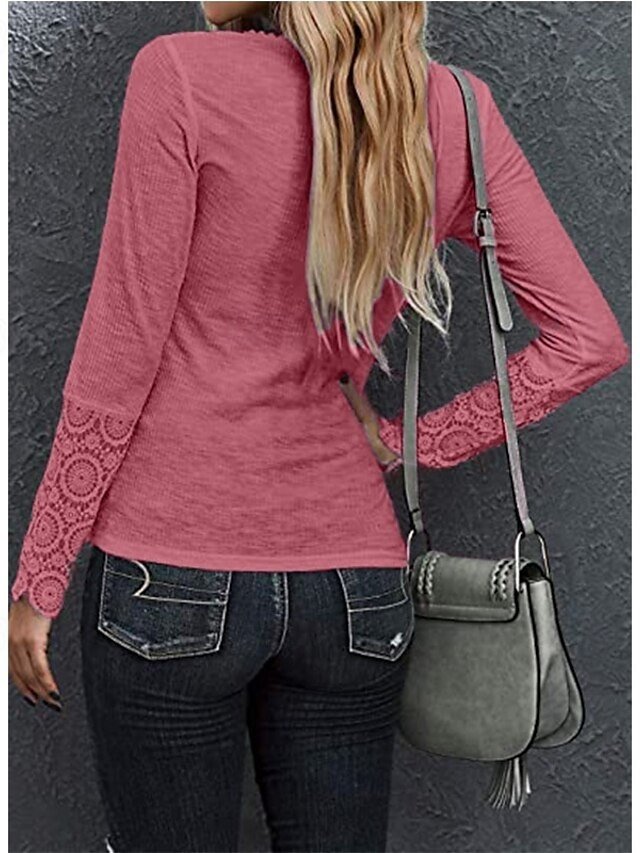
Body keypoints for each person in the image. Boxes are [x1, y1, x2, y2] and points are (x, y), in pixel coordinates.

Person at [8, 2, 629, 851]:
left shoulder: (180, 73)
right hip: (354, 591)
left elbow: (121, 350)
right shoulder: (456, 108)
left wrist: (41, 575)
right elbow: (589, 341)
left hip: (172, 571)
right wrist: (411, 444)